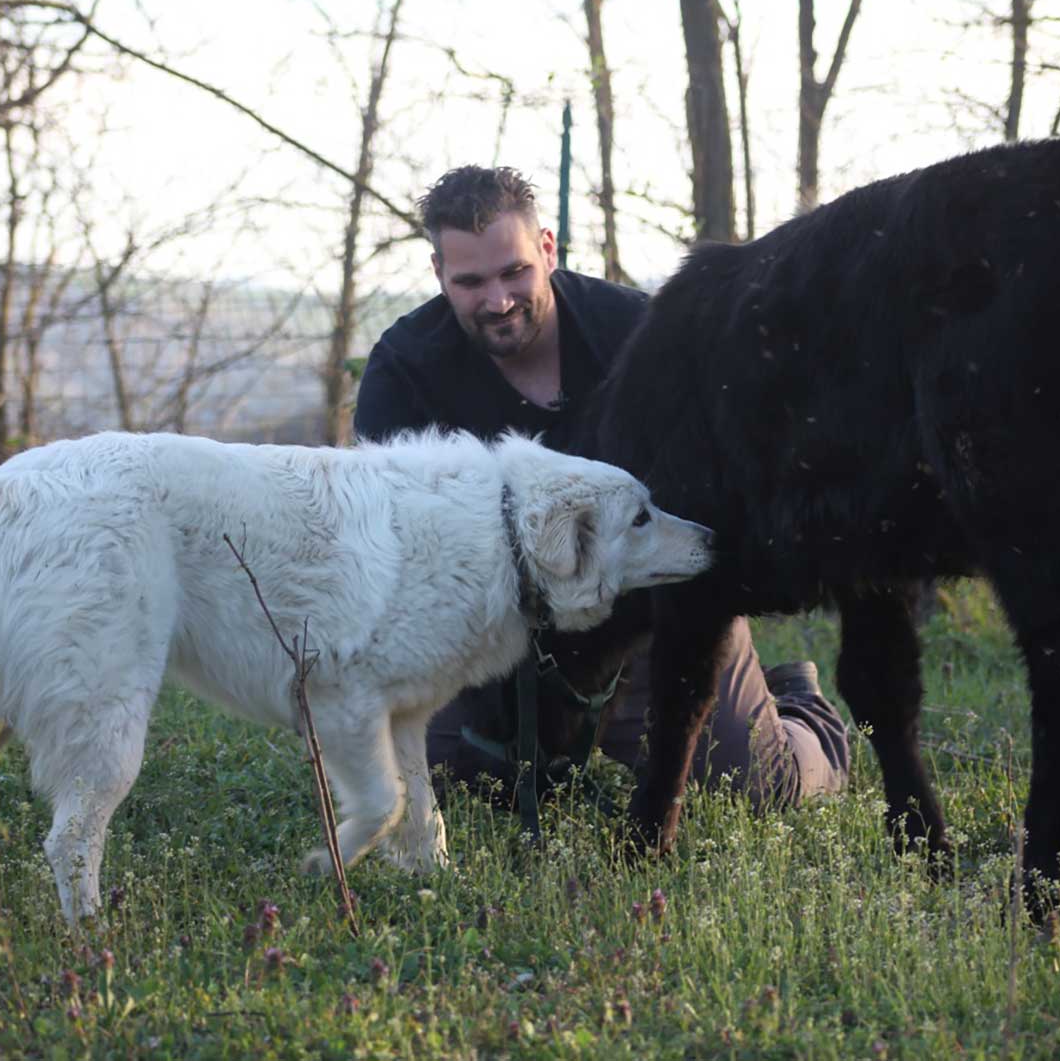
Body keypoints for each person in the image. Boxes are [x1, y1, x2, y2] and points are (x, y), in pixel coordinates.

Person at [352, 165, 850, 808]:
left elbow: (713, 498)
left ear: (549, 249)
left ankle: (804, 711)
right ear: (438, 274)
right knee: (449, 785)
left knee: (749, 784)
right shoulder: (405, 367)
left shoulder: (640, 332)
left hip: (646, 616)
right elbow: (388, 546)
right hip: (490, 630)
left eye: (514, 272)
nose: (497, 300)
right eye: (470, 282)